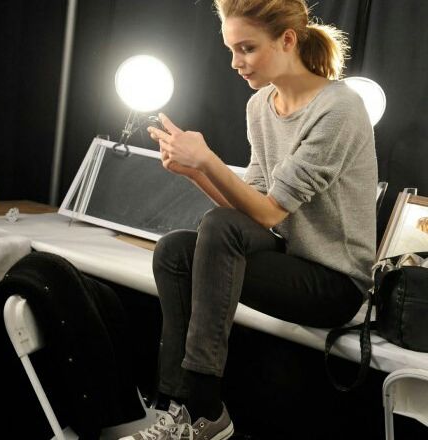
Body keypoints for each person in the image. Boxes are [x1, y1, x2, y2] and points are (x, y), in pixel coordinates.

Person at [120, 0, 377, 439]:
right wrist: (194, 171)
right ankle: (180, 408)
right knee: (174, 251)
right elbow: (250, 206)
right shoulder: (260, 105)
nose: (236, 63)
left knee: (218, 227)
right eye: (231, 50)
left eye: (247, 48)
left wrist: (207, 159)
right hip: (287, 257)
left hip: (335, 284)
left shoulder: (341, 108)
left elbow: (271, 210)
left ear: (287, 40)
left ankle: (204, 408)